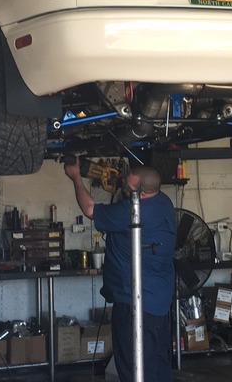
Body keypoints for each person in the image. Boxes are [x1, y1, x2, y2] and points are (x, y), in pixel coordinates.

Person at [64, 159, 176, 382]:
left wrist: (76, 176)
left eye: (128, 185)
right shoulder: (164, 202)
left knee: (135, 369)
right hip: (160, 306)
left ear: (141, 194)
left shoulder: (132, 211)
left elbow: (89, 209)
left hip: (134, 305)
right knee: (158, 365)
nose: (124, 184)